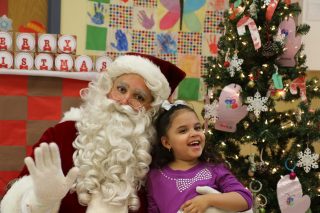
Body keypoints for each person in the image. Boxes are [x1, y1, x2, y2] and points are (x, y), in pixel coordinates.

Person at [0, 53, 186, 213]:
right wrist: (40, 200)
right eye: (121, 89)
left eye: (139, 97)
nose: (124, 100)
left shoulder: (157, 156)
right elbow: (13, 203)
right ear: (107, 90)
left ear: (150, 110)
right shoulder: (61, 136)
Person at [147, 101, 253, 213]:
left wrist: (208, 200)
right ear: (167, 142)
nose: (194, 133)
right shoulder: (154, 177)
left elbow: (245, 198)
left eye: (197, 128)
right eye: (183, 131)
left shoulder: (215, 169)